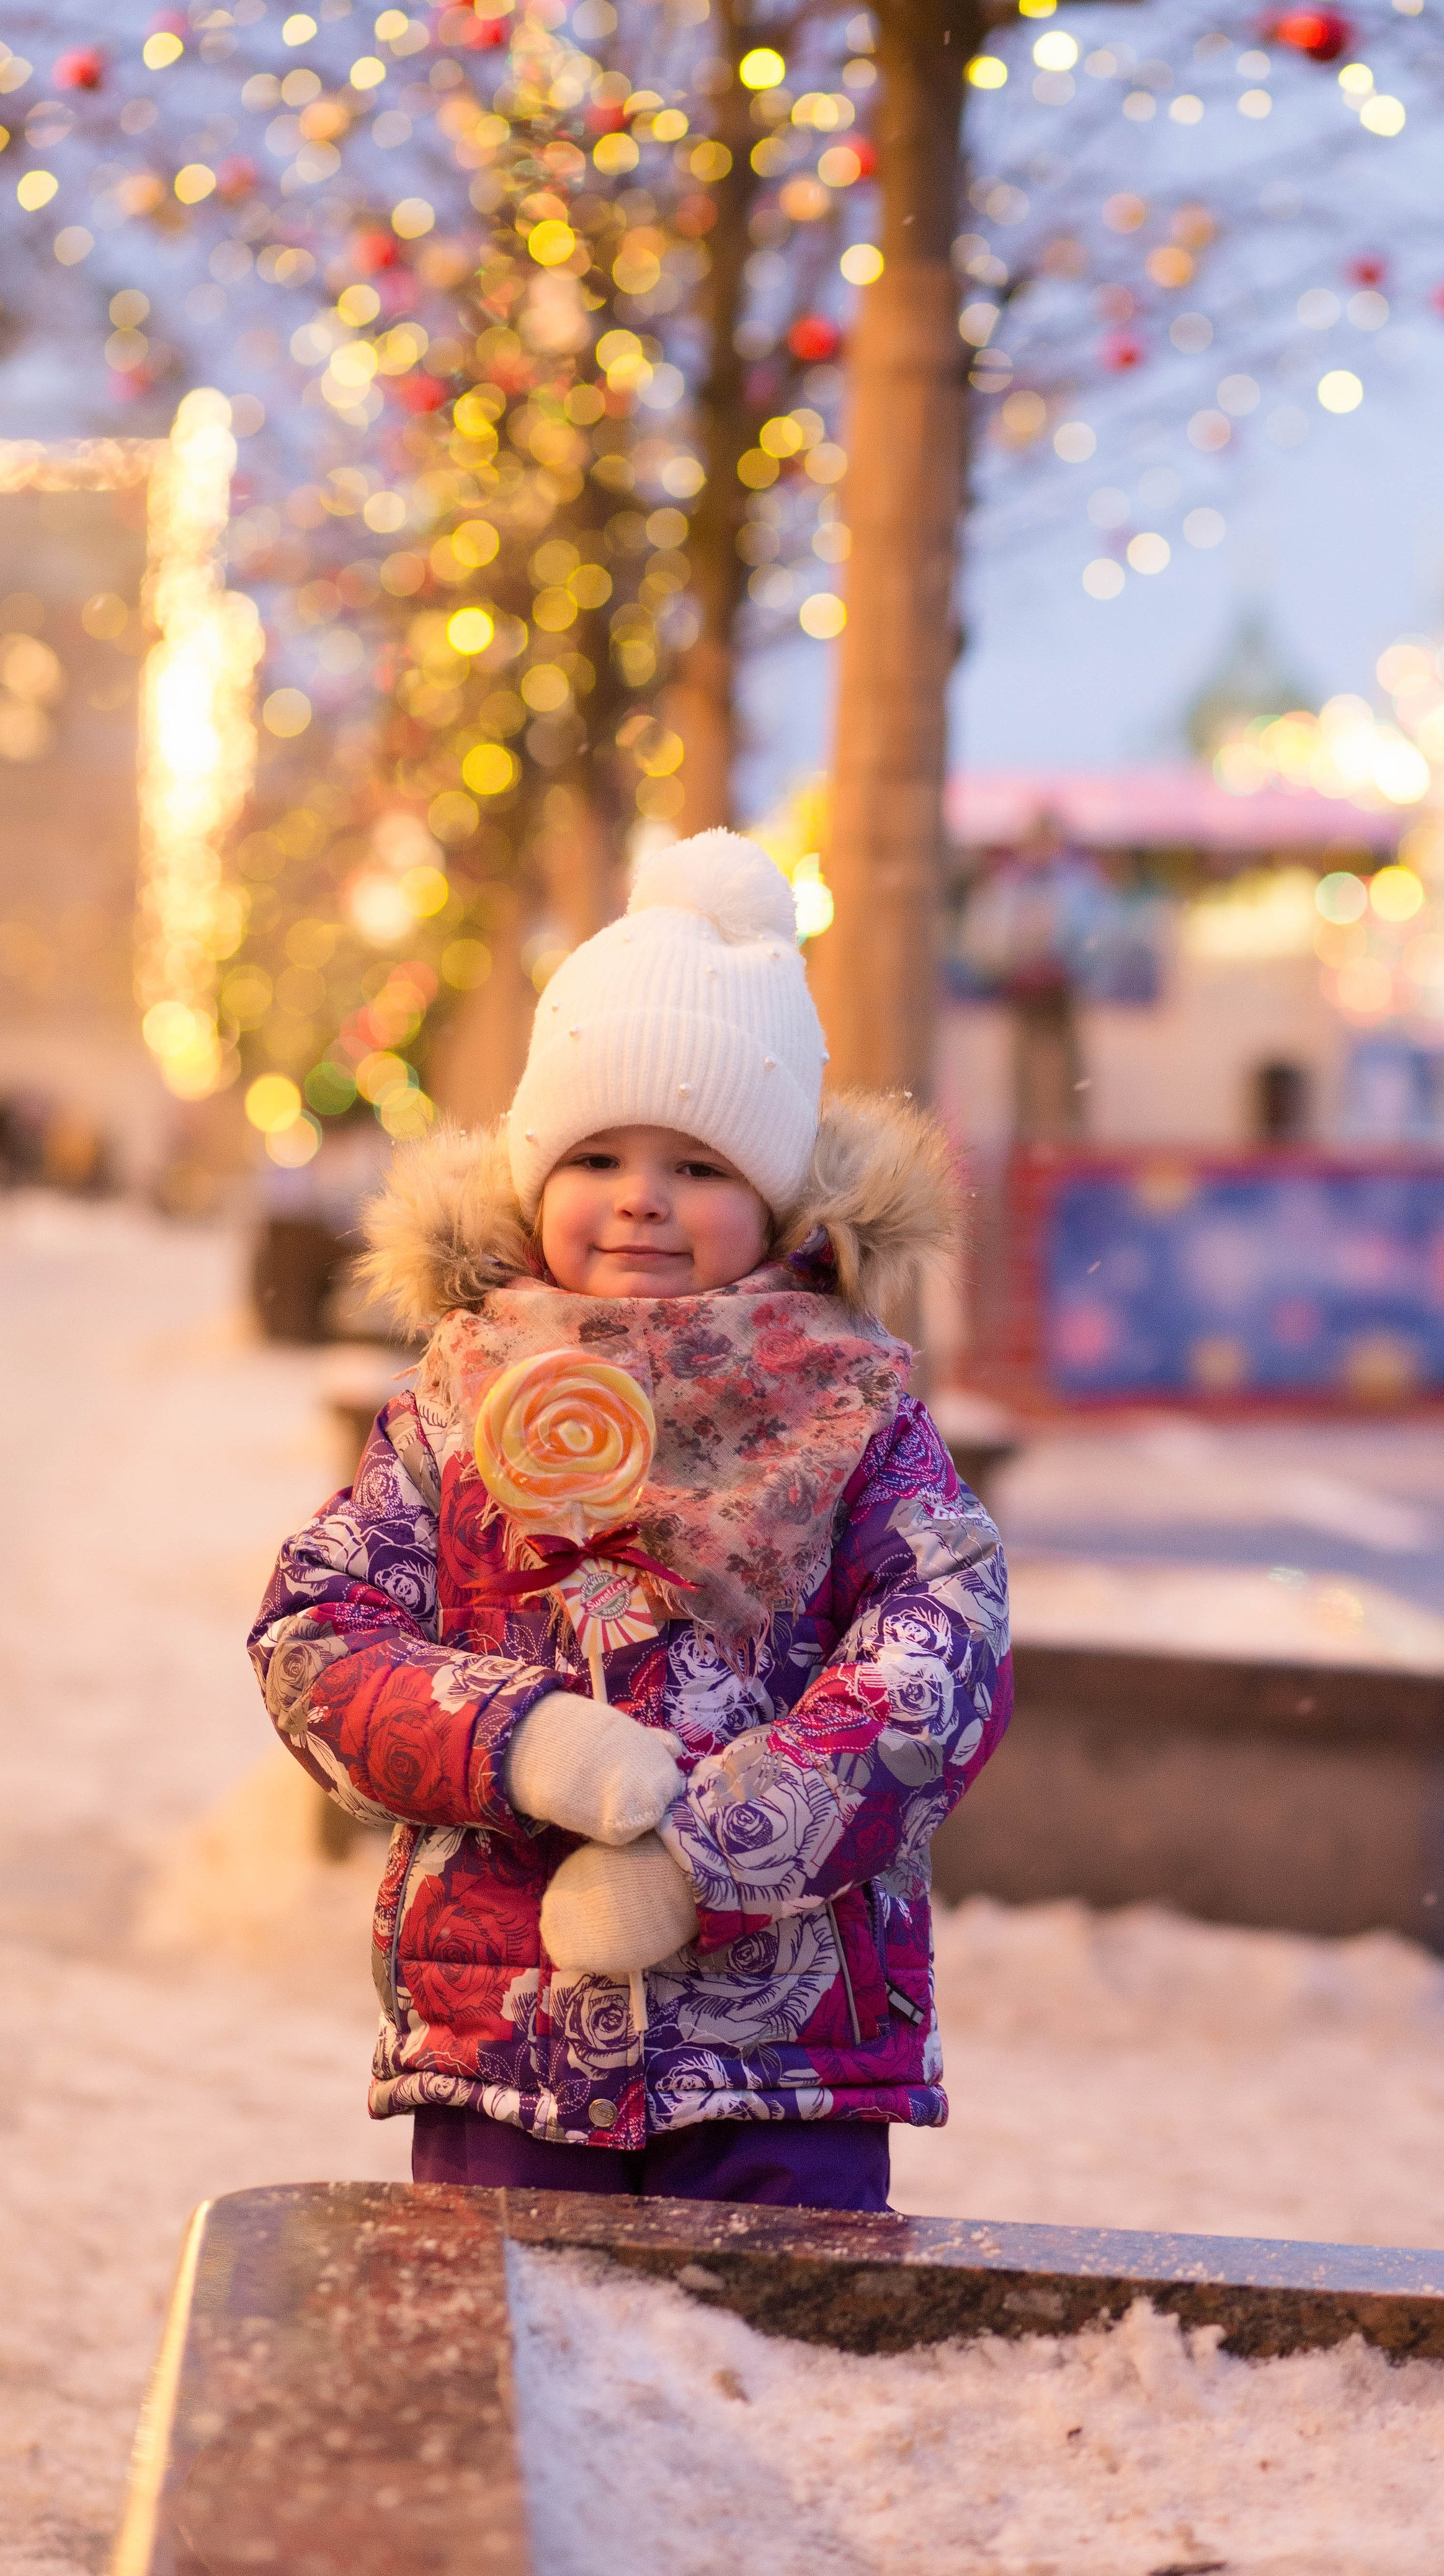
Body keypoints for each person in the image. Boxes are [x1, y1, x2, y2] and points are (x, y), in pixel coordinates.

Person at [249, 829, 1011, 2213]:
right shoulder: (459, 1403)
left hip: (785, 2054)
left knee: (777, 2338)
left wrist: (701, 1856)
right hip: (507, 2034)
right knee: (504, 2332)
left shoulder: (851, 1412)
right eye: (596, 1153)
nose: (643, 1196)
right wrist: (521, 1739)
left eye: (702, 1166)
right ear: (534, 1177)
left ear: (775, 1198)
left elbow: (939, 1658)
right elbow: (319, 1636)